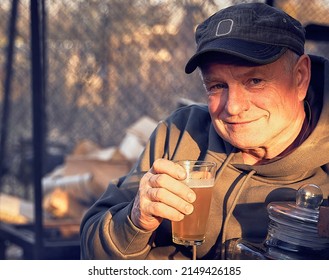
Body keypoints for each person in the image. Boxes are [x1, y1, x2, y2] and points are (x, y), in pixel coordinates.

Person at [80, 2, 329, 260]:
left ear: (300, 77)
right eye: (217, 86)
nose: (232, 107)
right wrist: (134, 222)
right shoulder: (180, 134)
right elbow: (92, 252)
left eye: (255, 81)